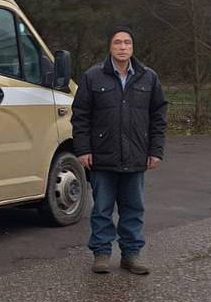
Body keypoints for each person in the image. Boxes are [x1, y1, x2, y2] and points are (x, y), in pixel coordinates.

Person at [70, 24, 168, 275]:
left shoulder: (148, 77)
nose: (122, 47)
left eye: (127, 42)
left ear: (133, 47)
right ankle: (102, 253)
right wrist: (83, 149)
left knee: (133, 209)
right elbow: (80, 116)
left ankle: (131, 255)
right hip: (102, 156)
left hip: (136, 155)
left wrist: (155, 150)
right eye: (117, 42)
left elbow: (158, 116)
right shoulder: (93, 77)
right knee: (101, 209)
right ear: (109, 46)